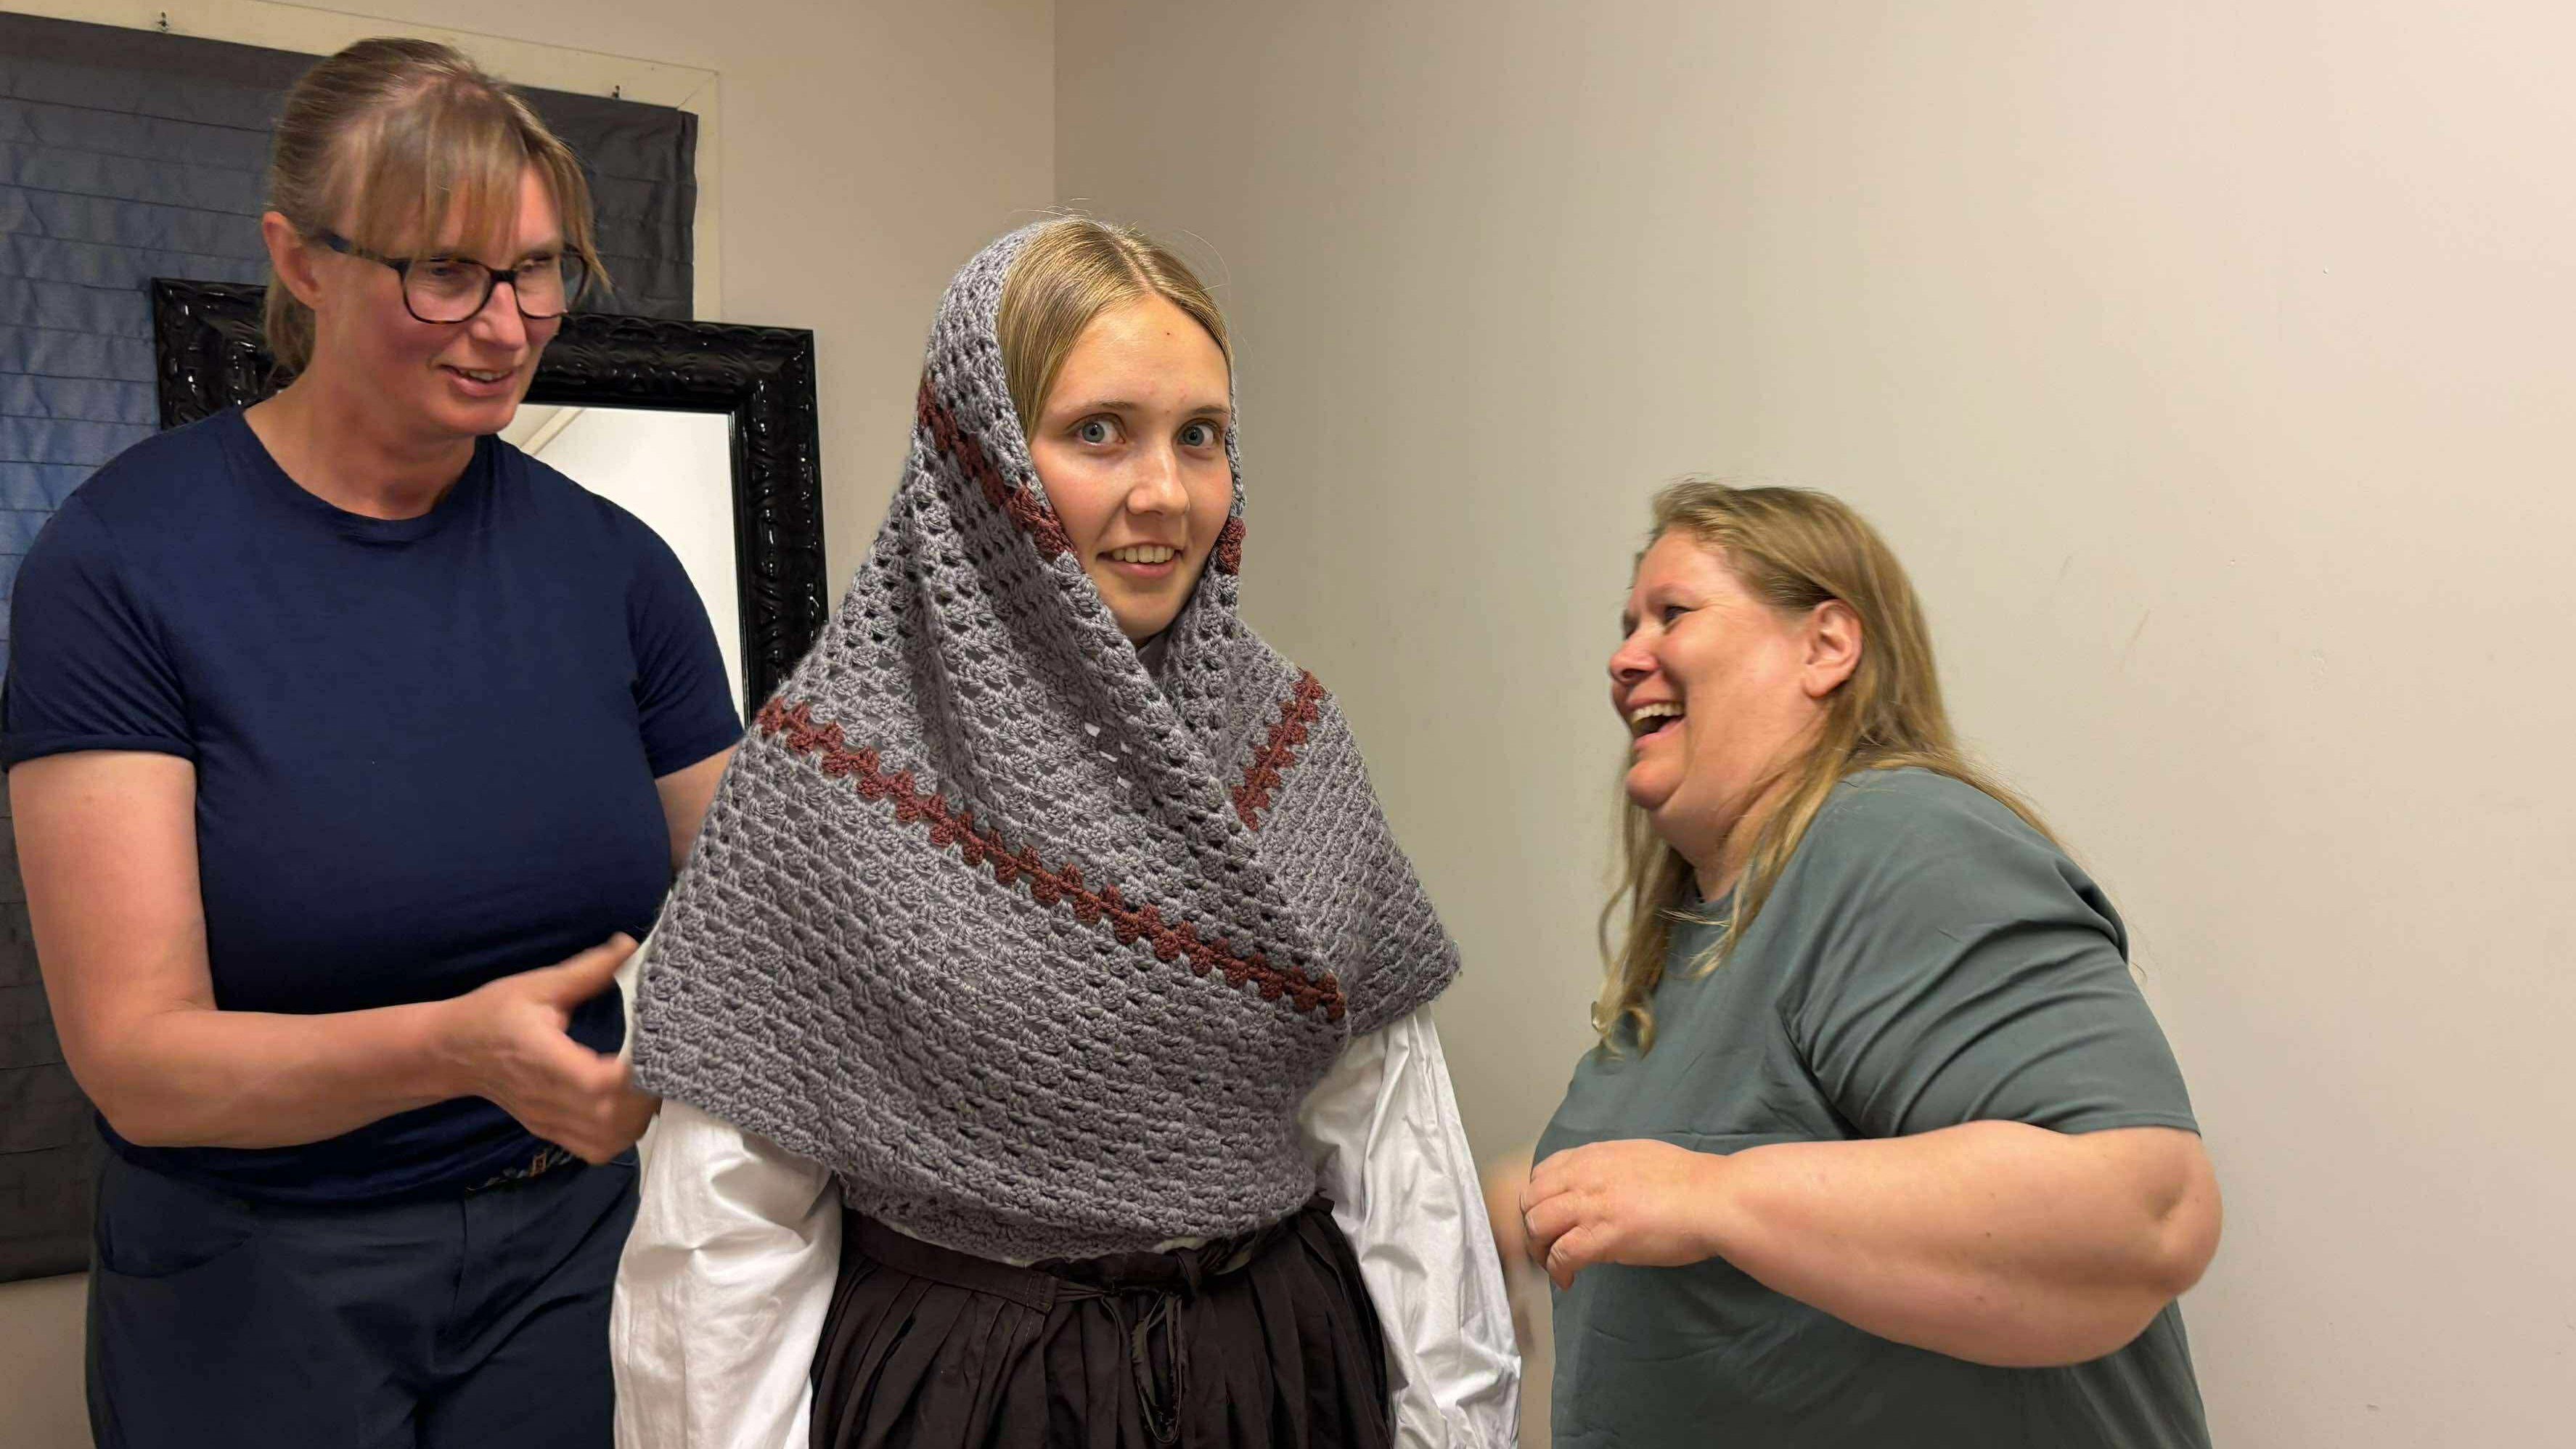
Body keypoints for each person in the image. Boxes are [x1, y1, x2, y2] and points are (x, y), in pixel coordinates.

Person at [610, 218, 1519, 1448]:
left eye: (1199, 436)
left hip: (1280, 1374)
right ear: (977, 463)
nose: (1165, 493)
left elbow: (1394, 1139)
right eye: (1100, 432)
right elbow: (725, 1237)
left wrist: (1453, 1426)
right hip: (972, 1391)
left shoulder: (1291, 745)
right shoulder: (826, 783)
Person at [3, 38, 740, 1448]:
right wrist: (457, 1049)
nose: (507, 322)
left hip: (571, 1255)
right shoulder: (121, 564)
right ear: (301, 260)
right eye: (443, 272)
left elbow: (759, 911)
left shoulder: (615, 570)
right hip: (259, 1270)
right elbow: (138, 1056)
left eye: (537, 269)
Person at [1519, 481, 2221, 1448]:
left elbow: (2143, 1212)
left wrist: (1711, 1196)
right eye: (1628, 622)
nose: (1624, 656)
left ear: (1825, 647)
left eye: (1672, 614)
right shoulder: (1703, 933)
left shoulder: (1893, 839)